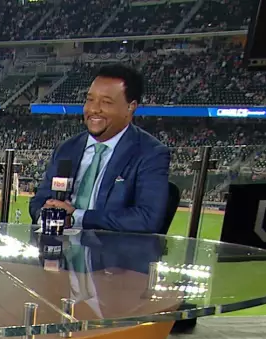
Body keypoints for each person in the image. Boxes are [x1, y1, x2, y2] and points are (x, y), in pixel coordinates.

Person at [29, 64, 171, 233]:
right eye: (90, 100)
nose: (94, 109)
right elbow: (39, 201)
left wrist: (76, 217)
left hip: (113, 249)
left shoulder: (150, 153)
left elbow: (147, 219)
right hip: (59, 245)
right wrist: (47, 213)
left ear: (130, 107)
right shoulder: (67, 148)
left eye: (106, 102)